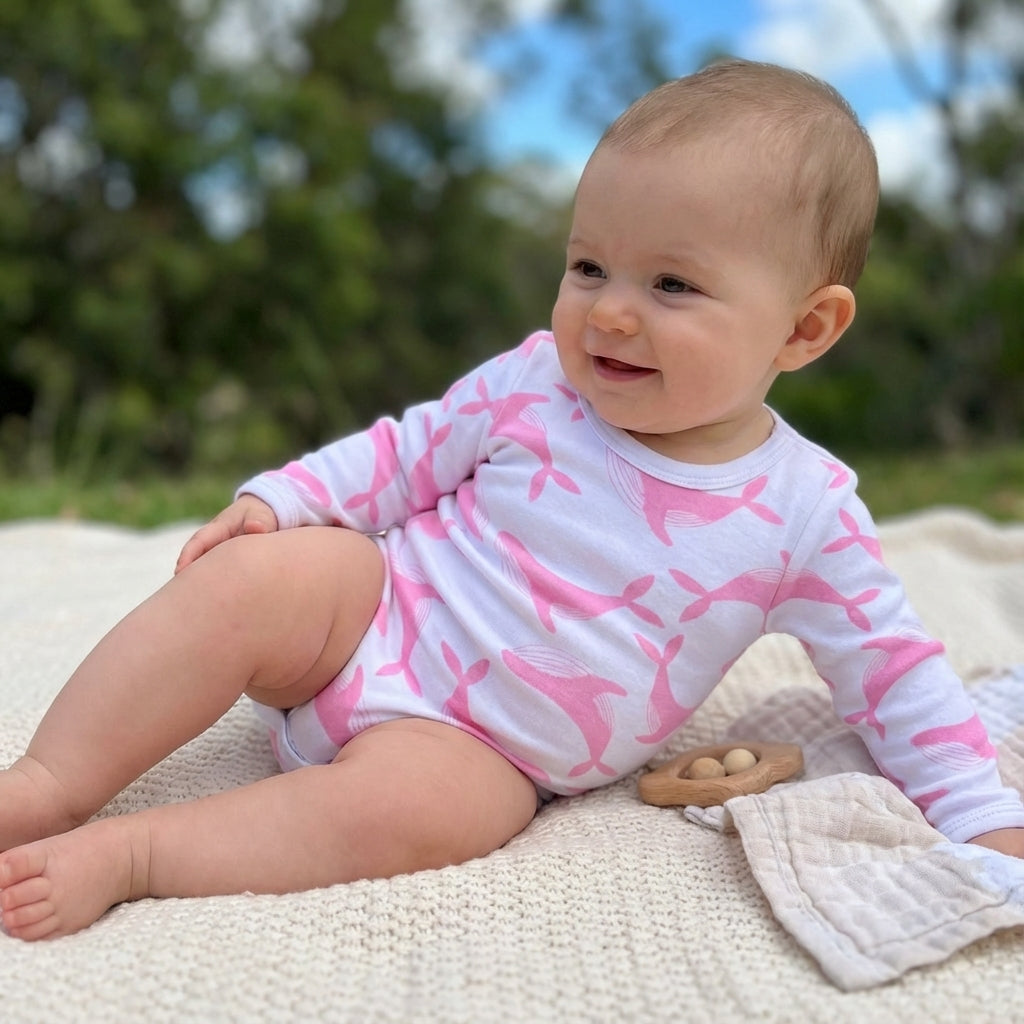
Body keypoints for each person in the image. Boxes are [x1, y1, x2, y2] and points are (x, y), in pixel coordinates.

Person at [2, 59, 1023, 942]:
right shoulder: (534, 380)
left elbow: (893, 674)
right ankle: (50, 781)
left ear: (804, 329)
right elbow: (402, 456)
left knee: (442, 815)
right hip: (375, 611)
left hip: (478, 746)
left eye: (671, 285)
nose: (609, 310)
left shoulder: (804, 512)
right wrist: (283, 500)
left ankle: (138, 856)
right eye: (587, 266)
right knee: (261, 577)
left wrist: (980, 813)